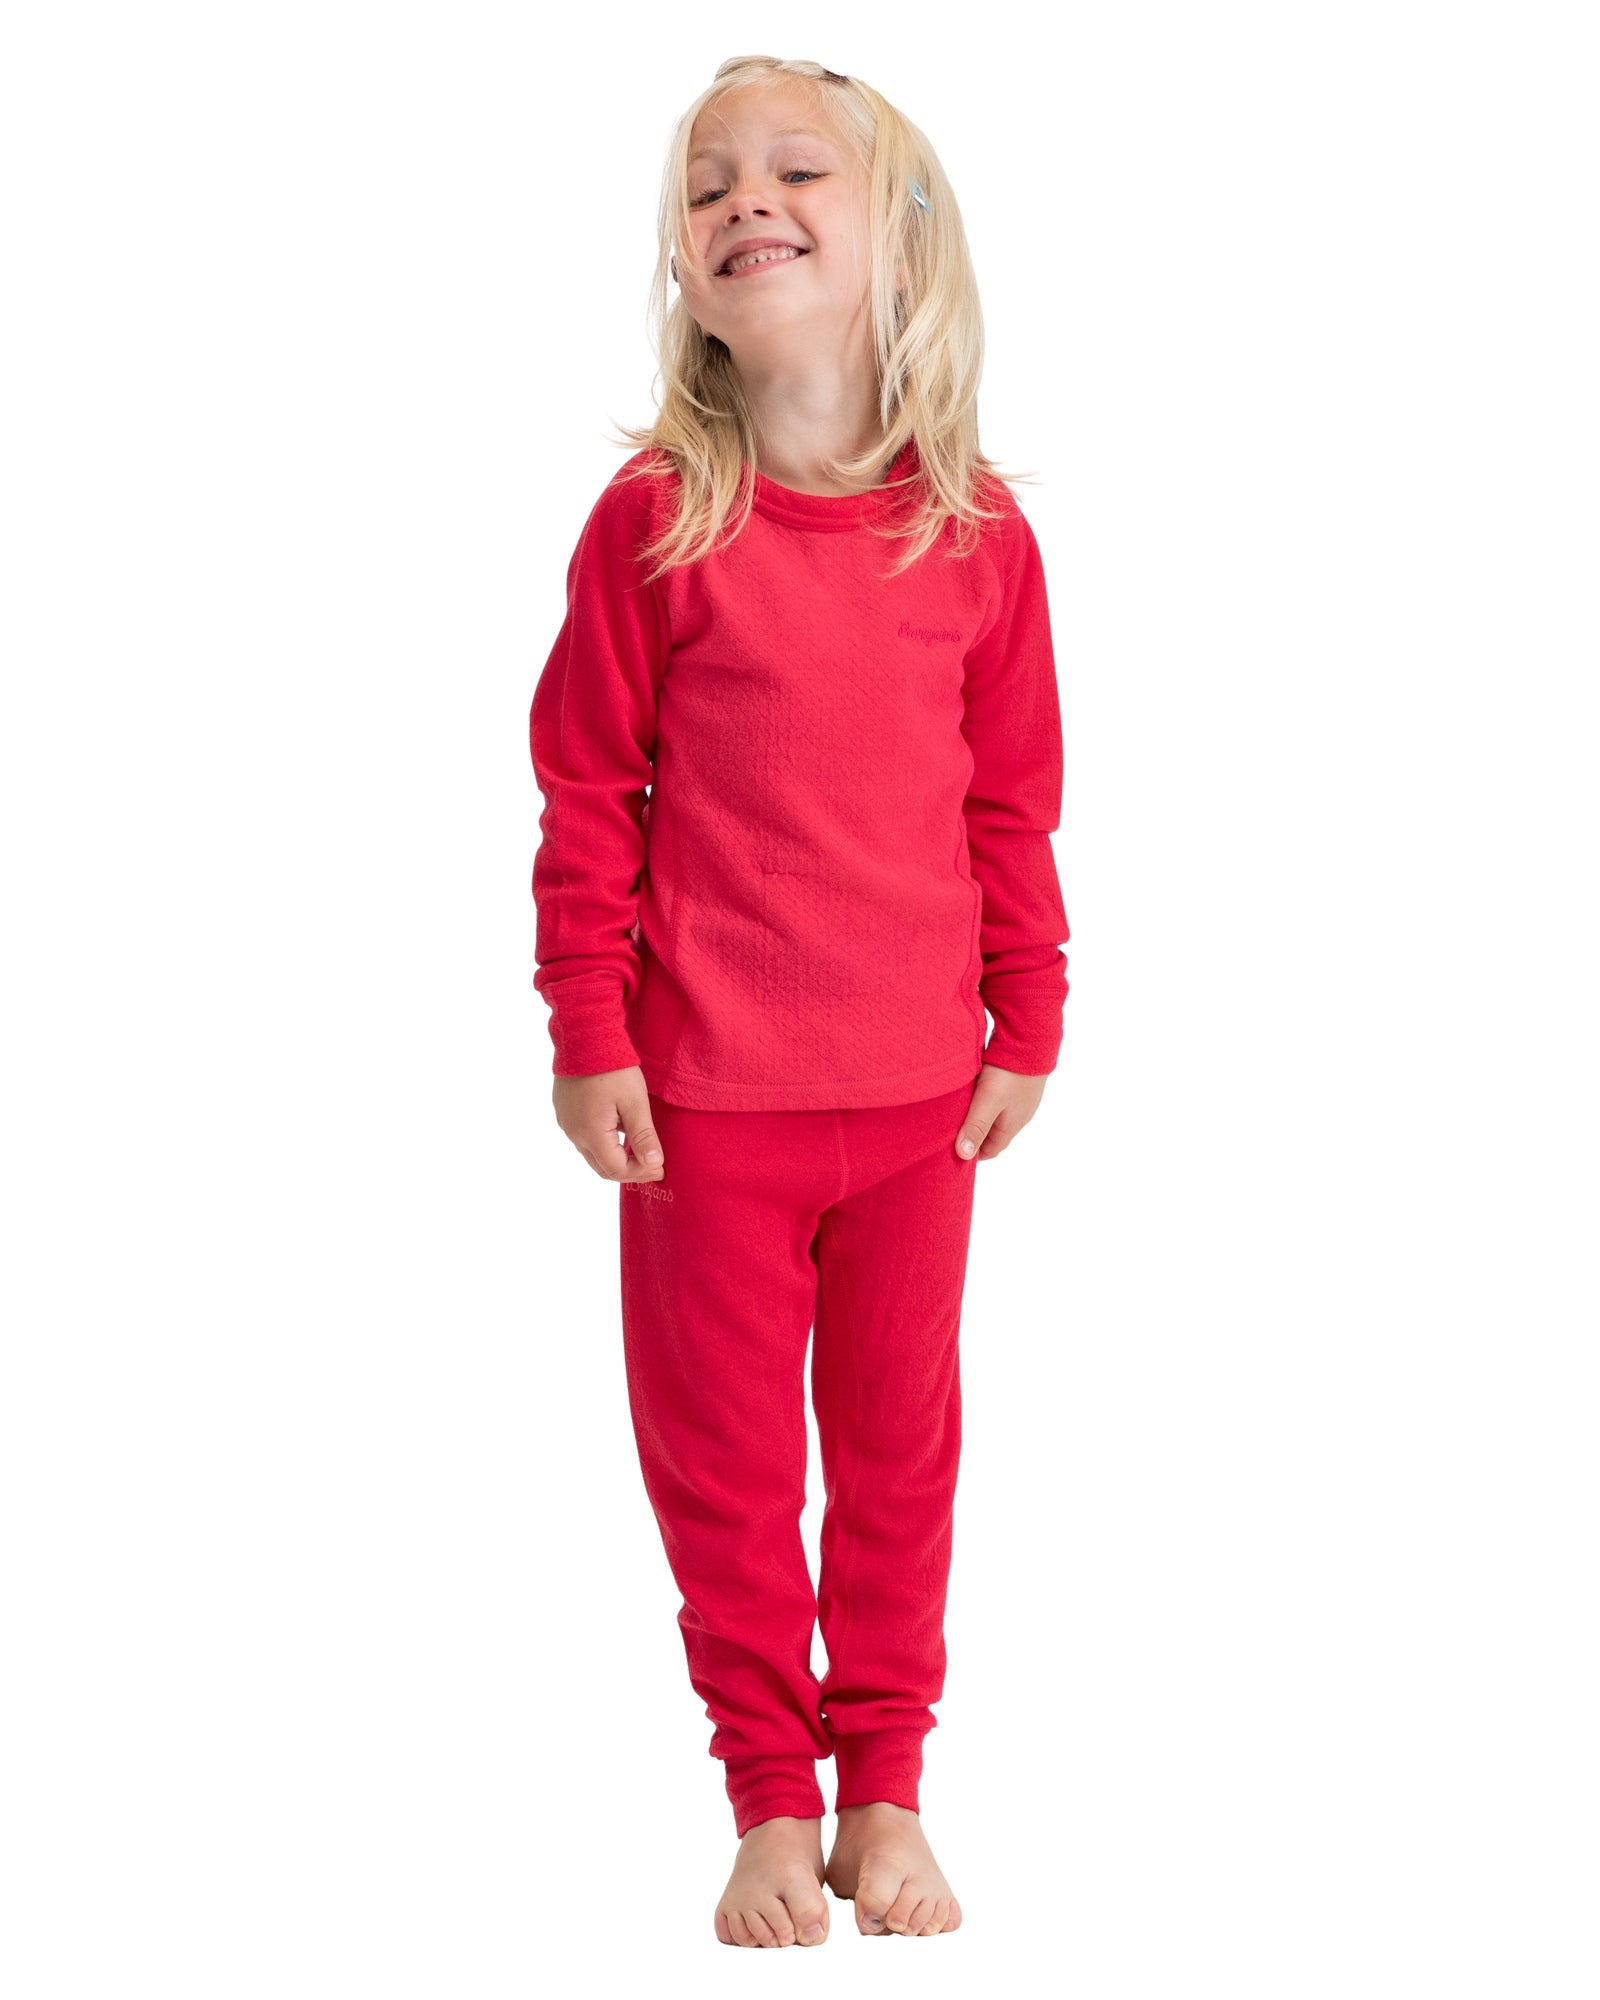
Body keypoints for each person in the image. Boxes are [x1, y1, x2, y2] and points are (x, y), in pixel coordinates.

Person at [528, 55, 1070, 1948]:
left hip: (920, 1110)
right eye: (709, 185)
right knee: (731, 1474)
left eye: (794, 171)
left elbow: (1012, 803)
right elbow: (587, 792)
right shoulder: (654, 526)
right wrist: (588, 1031)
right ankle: (770, 1794)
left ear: (898, 242)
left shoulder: (978, 538)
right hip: (703, 1112)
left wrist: (1029, 1012)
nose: (744, 200)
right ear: (687, 269)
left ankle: (886, 1784)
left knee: (903, 1457)